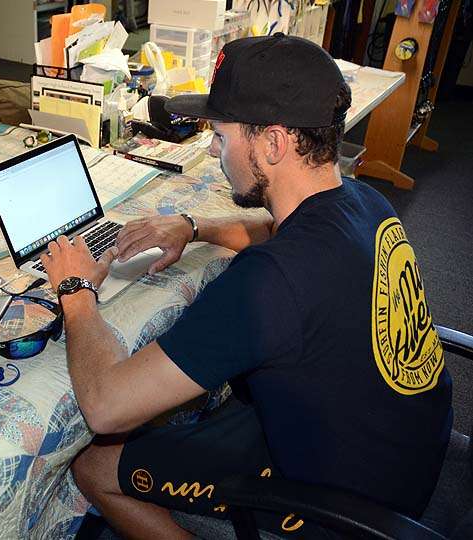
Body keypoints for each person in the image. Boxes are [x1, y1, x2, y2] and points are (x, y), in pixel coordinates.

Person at [39, 34, 452, 539]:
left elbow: (105, 406)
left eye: (221, 135)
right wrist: (192, 226)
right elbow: (276, 230)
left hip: (347, 508)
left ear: (274, 143)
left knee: (93, 468)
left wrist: (77, 291)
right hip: (407, 453)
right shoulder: (366, 202)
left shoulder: (268, 284)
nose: (214, 150)